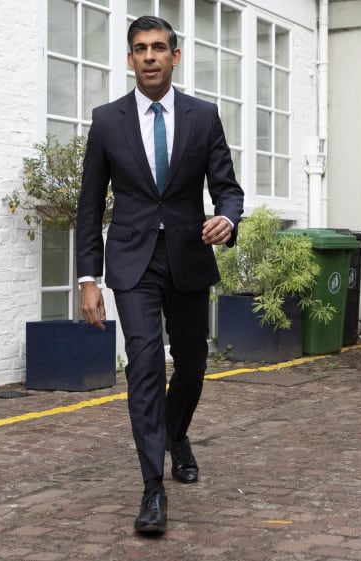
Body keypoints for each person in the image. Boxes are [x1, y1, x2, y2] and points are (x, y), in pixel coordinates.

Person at [75, 15, 244, 535]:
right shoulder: (107, 122)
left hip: (188, 258)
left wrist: (228, 219)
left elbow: (228, 188)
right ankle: (153, 488)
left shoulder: (202, 117)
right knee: (145, 364)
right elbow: (88, 206)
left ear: (175, 55)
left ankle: (177, 434)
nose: (149, 56)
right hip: (132, 262)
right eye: (139, 49)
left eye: (158, 48)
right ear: (130, 59)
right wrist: (88, 279)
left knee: (192, 365)